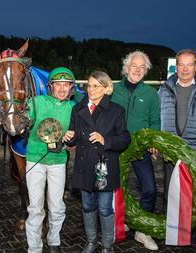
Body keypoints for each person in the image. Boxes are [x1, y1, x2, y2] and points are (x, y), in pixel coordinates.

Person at [64, 71, 131, 253]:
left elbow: (125, 139)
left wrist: (105, 141)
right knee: (87, 205)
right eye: (89, 85)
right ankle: (92, 241)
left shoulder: (116, 110)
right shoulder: (77, 109)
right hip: (84, 166)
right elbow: (74, 136)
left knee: (104, 208)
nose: (91, 90)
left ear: (107, 89)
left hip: (105, 166)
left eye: (96, 86)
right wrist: (69, 137)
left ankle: (107, 246)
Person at [110, 51, 160, 250]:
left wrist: (153, 141)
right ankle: (119, 224)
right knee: (116, 188)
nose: (138, 70)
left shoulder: (151, 94)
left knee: (150, 188)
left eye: (142, 67)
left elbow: (155, 121)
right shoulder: (112, 90)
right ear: (126, 68)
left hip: (140, 147)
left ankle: (142, 231)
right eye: (134, 66)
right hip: (117, 146)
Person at [25, 67, 75, 253]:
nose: (62, 89)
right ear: (50, 86)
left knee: (56, 206)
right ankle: (34, 247)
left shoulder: (74, 108)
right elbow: (19, 120)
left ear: (71, 88)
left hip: (58, 162)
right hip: (34, 160)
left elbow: (80, 134)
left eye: (66, 85)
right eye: (58, 85)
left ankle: (54, 241)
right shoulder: (36, 102)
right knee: (35, 207)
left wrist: (73, 135)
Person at [159, 49, 196, 200]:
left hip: (195, 149)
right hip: (170, 148)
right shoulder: (164, 89)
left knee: (193, 195)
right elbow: (157, 117)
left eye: (189, 65)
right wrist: (156, 142)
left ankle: (190, 224)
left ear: (195, 66)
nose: (185, 69)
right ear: (176, 66)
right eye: (181, 65)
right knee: (170, 194)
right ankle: (169, 223)